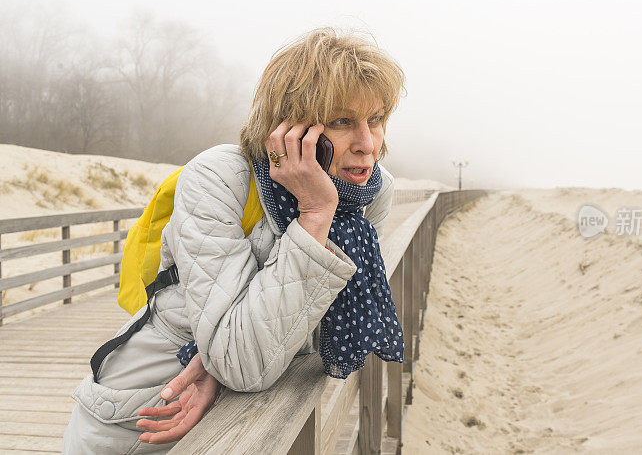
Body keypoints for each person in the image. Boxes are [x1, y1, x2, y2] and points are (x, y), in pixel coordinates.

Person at [62, 26, 406, 454]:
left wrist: (217, 355)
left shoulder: (370, 192)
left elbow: (308, 329)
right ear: (289, 126)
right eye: (341, 121)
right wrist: (316, 214)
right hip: (142, 415)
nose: (368, 144)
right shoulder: (218, 177)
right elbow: (243, 362)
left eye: (375, 119)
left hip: (241, 421)